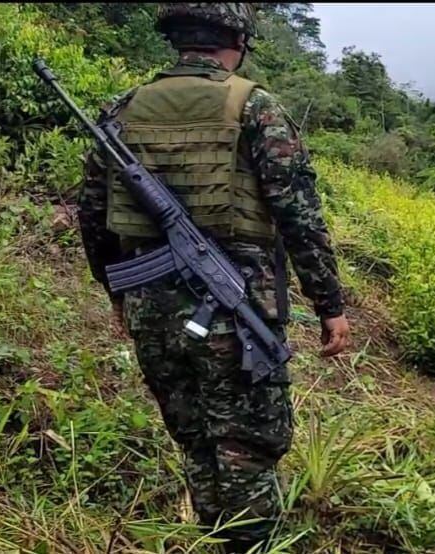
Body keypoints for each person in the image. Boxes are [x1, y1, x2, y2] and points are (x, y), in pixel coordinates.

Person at [76, 3, 351, 551]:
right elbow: (299, 216)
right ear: (237, 42)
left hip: (149, 306)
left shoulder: (123, 109)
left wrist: (116, 293)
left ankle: (218, 538)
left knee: (198, 439)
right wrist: (330, 305)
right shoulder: (255, 107)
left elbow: (92, 214)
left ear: (178, 42)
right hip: (235, 307)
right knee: (246, 446)